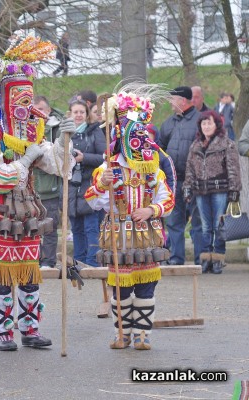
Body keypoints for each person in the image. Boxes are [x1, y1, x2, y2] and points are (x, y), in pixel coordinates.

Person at [0, 36, 75, 351]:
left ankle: (30, 328)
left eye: (30, 100)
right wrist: (25, 160)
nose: (27, 108)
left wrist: (64, 141)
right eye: (21, 100)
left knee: (29, 272)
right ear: (6, 99)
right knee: (2, 272)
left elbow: (55, 165)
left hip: (27, 211)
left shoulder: (31, 133)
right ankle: (3, 331)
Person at [85, 84, 174, 350]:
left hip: (148, 237)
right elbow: (92, 201)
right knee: (121, 289)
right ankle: (122, 333)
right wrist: (103, 184)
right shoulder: (107, 168)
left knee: (147, 285)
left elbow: (167, 199)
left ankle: (142, 335)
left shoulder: (153, 170)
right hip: (118, 236)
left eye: (142, 135)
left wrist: (150, 210)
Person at [182, 110, 241, 274]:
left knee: (218, 225)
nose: (206, 126)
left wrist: (234, 189)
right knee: (205, 227)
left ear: (217, 125)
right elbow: (190, 170)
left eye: (209, 123)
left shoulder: (226, 144)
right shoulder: (195, 145)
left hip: (220, 190)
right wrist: (187, 188)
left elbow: (233, 168)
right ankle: (206, 259)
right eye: (203, 123)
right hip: (200, 191)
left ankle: (218, 259)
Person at [157, 86, 203, 266]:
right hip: (174, 182)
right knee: (174, 222)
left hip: (195, 182)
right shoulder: (168, 122)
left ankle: (201, 259)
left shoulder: (200, 120)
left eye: (172, 99)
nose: (170, 102)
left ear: (182, 101)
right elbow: (160, 148)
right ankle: (176, 258)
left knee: (198, 223)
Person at [68, 99, 106, 267]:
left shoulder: (95, 131)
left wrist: (84, 158)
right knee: (76, 228)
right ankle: (78, 262)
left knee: (91, 228)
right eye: (75, 112)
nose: (78, 115)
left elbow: (104, 157)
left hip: (89, 185)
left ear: (87, 114)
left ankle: (93, 262)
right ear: (70, 114)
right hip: (71, 187)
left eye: (81, 112)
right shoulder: (65, 133)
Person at [32, 95, 64, 270]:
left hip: (49, 186)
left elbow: (61, 155)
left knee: (50, 227)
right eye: (34, 109)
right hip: (29, 187)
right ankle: (33, 258)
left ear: (49, 110)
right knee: (31, 227)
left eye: (41, 109)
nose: (38, 113)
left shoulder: (56, 128)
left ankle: (48, 261)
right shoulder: (25, 127)